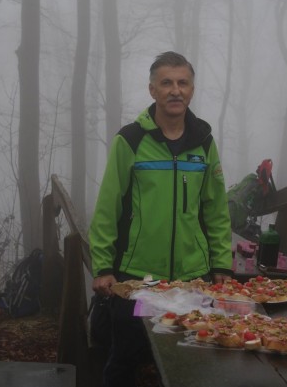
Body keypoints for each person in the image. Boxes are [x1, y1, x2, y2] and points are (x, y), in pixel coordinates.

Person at [89, 51, 234, 387]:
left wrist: (222, 265)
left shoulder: (204, 143)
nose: (175, 90)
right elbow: (108, 207)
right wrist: (103, 267)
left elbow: (215, 210)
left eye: (183, 83)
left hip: (192, 281)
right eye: (166, 82)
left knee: (194, 363)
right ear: (152, 89)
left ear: (192, 90)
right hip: (138, 281)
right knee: (124, 363)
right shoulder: (131, 140)